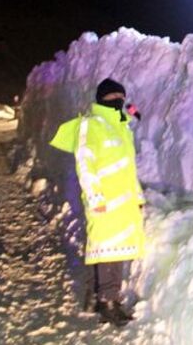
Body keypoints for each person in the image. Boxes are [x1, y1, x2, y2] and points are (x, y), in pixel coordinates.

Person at [50, 78, 146, 327]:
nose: (118, 102)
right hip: (104, 202)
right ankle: (106, 303)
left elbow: (128, 169)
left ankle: (106, 300)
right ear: (102, 99)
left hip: (123, 203)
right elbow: (85, 162)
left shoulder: (122, 127)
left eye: (121, 98)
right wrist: (94, 196)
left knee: (117, 253)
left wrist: (137, 197)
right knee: (106, 253)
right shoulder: (90, 125)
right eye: (113, 98)